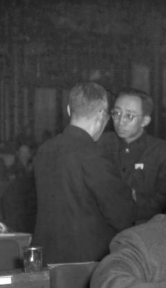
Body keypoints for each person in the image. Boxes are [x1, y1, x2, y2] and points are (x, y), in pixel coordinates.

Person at [33, 82, 137, 264]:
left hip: (46, 253)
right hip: (84, 261)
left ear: (68, 110)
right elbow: (121, 213)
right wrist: (130, 197)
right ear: (101, 114)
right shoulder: (94, 154)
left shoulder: (45, 149)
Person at [99, 88, 166, 223]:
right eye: (116, 113)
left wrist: (133, 200)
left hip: (143, 226)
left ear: (145, 121)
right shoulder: (100, 144)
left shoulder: (164, 152)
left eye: (129, 116)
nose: (120, 121)